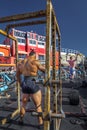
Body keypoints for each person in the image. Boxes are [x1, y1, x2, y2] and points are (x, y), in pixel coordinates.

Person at [16, 50, 45, 129]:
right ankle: (40, 123)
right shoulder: (35, 61)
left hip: (24, 84)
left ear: (29, 55)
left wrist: (21, 84)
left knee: (23, 104)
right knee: (38, 105)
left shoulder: (21, 63)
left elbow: (17, 75)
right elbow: (45, 70)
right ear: (34, 55)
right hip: (32, 82)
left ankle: (21, 120)